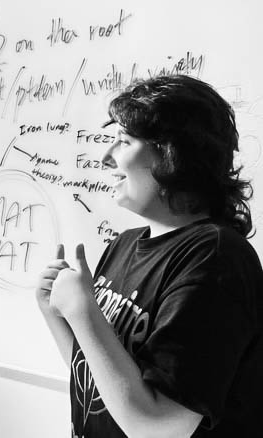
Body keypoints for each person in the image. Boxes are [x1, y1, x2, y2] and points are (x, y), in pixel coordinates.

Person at [37, 75, 263, 437]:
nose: (106, 157)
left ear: (173, 154)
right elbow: (97, 382)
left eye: (124, 141)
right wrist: (57, 314)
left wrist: (82, 311)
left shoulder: (215, 258)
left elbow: (158, 427)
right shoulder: (124, 245)